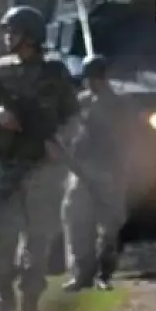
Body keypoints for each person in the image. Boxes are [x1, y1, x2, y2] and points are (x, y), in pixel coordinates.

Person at [0, 5, 79, 311]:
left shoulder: (55, 73)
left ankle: (30, 306)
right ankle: (3, 300)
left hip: (42, 167)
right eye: (7, 31)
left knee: (39, 237)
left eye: (14, 31)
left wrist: (59, 142)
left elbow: (73, 116)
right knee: (1, 235)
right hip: (4, 165)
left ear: (31, 36)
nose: (8, 37)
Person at [61, 54, 134, 292]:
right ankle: (81, 274)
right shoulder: (80, 103)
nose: (91, 83)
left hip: (108, 171)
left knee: (109, 227)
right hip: (81, 170)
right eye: (88, 78)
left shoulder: (119, 105)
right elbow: (69, 131)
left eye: (95, 78)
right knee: (77, 223)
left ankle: (104, 274)